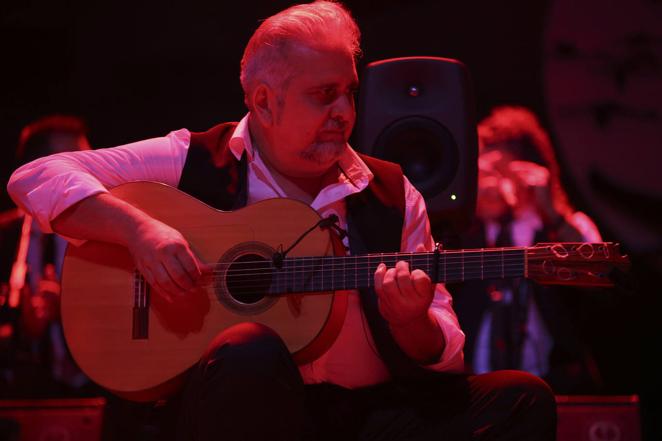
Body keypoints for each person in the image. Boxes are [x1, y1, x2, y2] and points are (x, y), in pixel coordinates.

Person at [8, 3, 556, 440]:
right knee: (251, 349)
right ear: (265, 102)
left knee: (523, 400)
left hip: (368, 418)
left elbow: (446, 352)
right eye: (324, 95)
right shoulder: (191, 159)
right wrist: (139, 230)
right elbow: (35, 176)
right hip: (230, 410)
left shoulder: (392, 192)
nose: (344, 111)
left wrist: (411, 323)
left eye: (349, 93)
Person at [451, 105, 603, 394]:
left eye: (497, 169)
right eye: (481, 170)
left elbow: (600, 277)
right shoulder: (466, 234)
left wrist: (552, 212)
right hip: (478, 391)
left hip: (557, 387)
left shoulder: (561, 226)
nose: (488, 183)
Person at [1, 115, 91, 397]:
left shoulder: (105, 231)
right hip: (25, 392)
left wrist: (69, 310)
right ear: (36, 173)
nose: (91, 172)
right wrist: (19, 324)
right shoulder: (6, 237)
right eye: (75, 162)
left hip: (97, 387)